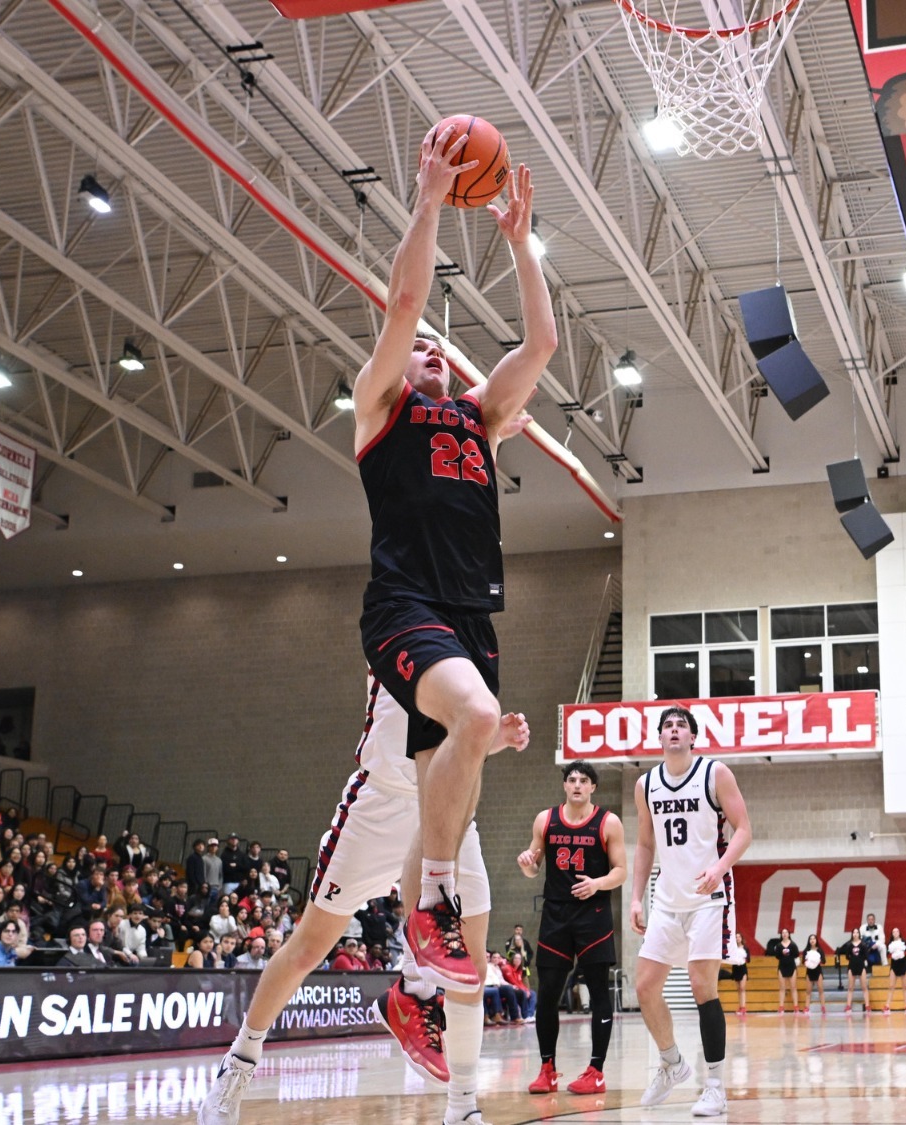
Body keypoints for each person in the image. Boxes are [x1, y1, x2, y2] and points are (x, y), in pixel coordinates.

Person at [349, 121, 549, 994]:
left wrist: (522, 247)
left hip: (471, 612)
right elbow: (402, 306)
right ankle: (429, 912)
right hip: (403, 601)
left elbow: (538, 345)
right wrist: (428, 201)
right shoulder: (379, 406)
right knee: (471, 720)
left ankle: (413, 976)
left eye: (441, 349)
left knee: (448, 789)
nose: (432, 348)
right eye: (424, 347)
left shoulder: (480, 417)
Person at [197, 676, 515, 1125]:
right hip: (381, 804)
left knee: (471, 967)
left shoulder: (472, 631)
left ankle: (462, 1107)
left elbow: (456, 731)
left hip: (446, 801)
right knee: (308, 947)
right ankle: (239, 1062)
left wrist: (488, 738)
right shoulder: (395, 611)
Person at [629, 706, 754, 1115]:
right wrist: (636, 897)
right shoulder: (646, 784)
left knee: (704, 987)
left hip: (708, 896)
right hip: (666, 897)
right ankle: (671, 1064)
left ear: (692, 736)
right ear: (660, 738)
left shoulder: (714, 773)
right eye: (668, 725)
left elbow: (744, 830)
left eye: (682, 724)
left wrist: (719, 868)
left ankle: (715, 1085)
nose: (674, 730)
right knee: (645, 986)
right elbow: (645, 845)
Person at [517, 761, 626, 1096]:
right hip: (556, 914)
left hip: (593, 912)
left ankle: (596, 1070)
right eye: (572, 780)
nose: (577, 785)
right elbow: (534, 870)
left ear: (593, 787)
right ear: (565, 786)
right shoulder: (545, 820)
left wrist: (597, 884)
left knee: (597, 990)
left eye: (584, 780)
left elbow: (620, 870)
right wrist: (527, 866)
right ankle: (547, 1068)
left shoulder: (608, 822)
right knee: (548, 992)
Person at [768, 929, 801, 1013]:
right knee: (782, 988)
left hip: (792, 967)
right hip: (782, 967)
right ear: (781, 934)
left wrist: (790, 953)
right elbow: (777, 956)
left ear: (789, 934)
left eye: (786, 932)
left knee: (793, 987)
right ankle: (781, 1007)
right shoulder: (778, 945)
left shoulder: (793, 944)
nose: (784, 934)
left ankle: (796, 1007)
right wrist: (781, 953)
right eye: (783, 933)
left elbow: (797, 954)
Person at [842, 930, 873, 1013]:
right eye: (854, 932)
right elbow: (847, 956)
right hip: (852, 966)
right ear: (852, 934)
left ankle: (867, 1005)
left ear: (859, 934)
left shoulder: (863, 944)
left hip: (861, 966)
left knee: (864, 987)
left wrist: (860, 960)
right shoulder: (849, 945)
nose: (855, 934)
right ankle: (848, 1005)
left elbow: (866, 956)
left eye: (857, 932)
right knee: (850, 987)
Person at [885, 927, 906, 1012]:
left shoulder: (904, 942)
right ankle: (887, 1005)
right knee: (891, 986)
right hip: (894, 965)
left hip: (903, 964)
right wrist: (892, 955)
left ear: (899, 933)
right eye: (893, 932)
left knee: (905, 986)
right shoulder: (890, 943)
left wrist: (902, 953)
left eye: (897, 931)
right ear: (892, 934)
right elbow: (887, 954)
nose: (895, 933)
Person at [504, 923, 535, 989]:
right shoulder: (509, 942)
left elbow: (530, 953)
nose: (518, 931)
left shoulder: (525, 942)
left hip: (523, 969)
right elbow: (509, 954)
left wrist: (527, 961)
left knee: (526, 986)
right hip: (513, 969)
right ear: (514, 930)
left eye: (520, 930)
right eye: (517, 929)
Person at [803, 935, 826, 1012]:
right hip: (809, 972)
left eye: (814, 939)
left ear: (816, 940)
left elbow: (824, 961)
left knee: (821, 990)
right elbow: (803, 961)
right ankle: (807, 1007)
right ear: (809, 941)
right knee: (808, 991)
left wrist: (818, 961)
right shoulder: (806, 951)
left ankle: (823, 1007)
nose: (812, 940)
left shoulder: (820, 950)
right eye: (811, 939)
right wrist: (807, 962)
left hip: (818, 972)